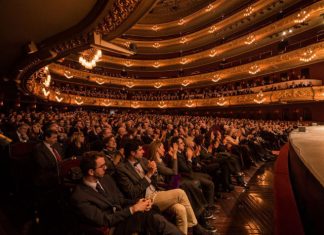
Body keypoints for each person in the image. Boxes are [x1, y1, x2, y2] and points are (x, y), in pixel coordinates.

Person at [71, 151, 182, 235]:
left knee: (153, 209)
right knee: (152, 218)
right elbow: (104, 220)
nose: (106, 168)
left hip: (122, 216)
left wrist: (138, 202)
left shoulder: (106, 179)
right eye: (102, 166)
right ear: (91, 171)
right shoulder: (80, 196)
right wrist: (133, 209)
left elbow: (121, 200)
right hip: (112, 228)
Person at [116, 140, 212, 235]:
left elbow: (156, 180)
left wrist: (154, 171)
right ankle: (196, 228)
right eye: (140, 150)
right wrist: (149, 174)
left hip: (156, 192)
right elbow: (132, 192)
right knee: (180, 192)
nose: (143, 151)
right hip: (145, 199)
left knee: (180, 209)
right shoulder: (122, 169)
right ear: (133, 153)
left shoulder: (143, 160)